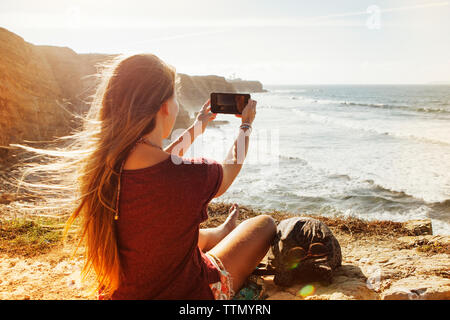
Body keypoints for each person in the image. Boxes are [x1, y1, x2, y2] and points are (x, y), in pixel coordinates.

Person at [62, 53, 277, 300]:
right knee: (264, 225)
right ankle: (219, 236)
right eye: (176, 97)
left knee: (166, 232)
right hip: (192, 293)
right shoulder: (188, 176)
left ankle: (218, 233)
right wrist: (246, 126)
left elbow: (159, 165)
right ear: (165, 107)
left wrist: (197, 128)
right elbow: (230, 168)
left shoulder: (106, 167)